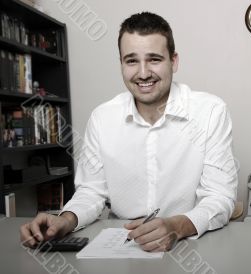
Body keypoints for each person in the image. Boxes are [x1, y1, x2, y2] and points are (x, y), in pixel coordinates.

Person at [20, 12, 238, 252]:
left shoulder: (210, 111)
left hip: (191, 244)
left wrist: (178, 225)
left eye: (154, 59)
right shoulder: (103, 118)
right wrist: (66, 219)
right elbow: (91, 191)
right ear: (121, 64)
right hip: (124, 244)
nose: (143, 73)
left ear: (173, 61)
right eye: (131, 61)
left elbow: (219, 197)